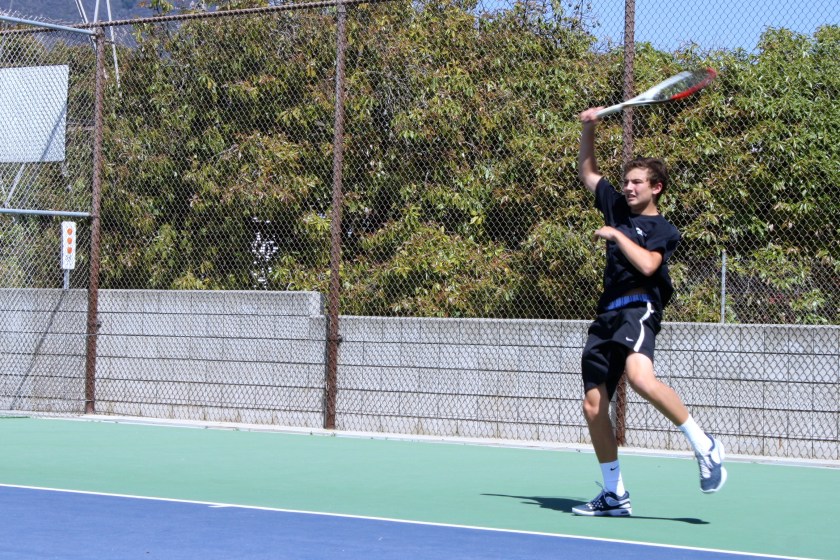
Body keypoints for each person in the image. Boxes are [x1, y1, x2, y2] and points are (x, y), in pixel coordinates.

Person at [571, 107, 726, 517]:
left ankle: (705, 446)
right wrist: (590, 128)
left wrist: (616, 235)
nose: (627, 187)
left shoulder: (663, 230)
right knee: (592, 406)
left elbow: (649, 267)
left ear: (656, 188)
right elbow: (588, 172)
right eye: (625, 181)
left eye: (636, 182)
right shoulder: (617, 208)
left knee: (640, 378)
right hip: (605, 315)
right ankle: (614, 494)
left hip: (639, 307)